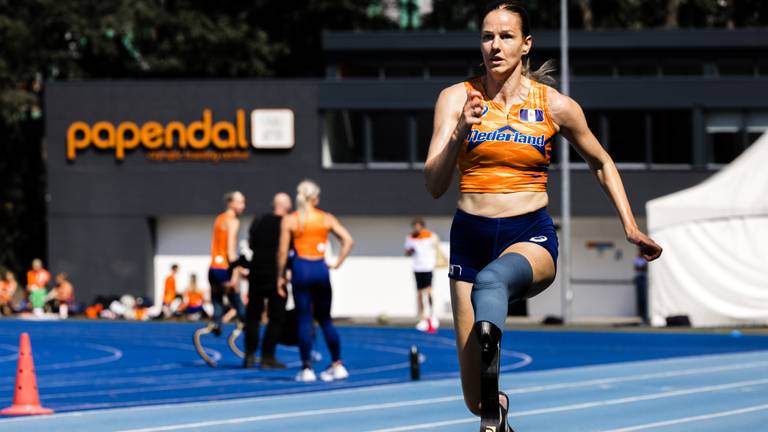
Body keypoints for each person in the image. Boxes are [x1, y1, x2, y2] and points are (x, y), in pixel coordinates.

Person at [423, 2, 663, 430]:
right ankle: (496, 410)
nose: (494, 45)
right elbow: (434, 183)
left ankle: (490, 341)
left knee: (492, 281)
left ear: (526, 44)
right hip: (470, 239)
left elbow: (601, 162)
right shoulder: (455, 97)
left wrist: (630, 226)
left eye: (506, 36)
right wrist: (461, 129)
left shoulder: (554, 106)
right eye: (487, 36)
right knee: (476, 402)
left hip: (528, 235)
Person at [277, 180, 354, 382]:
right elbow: (348, 240)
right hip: (320, 269)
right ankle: (337, 364)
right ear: (314, 198)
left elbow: (283, 252)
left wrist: (280, 276)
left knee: (304, 319)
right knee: (325, 319)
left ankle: (307, 368)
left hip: (301, 269)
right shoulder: (325, 218)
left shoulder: (291, 220)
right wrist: (337, 262)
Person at [244, 192, 293, 369]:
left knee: (253, 315)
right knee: (276, 316)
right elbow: (287, 250)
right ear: (287, 206)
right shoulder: (288, 223)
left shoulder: (259, 220)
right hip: (276, 274)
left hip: (256, 271)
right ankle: (267, 356)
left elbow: (251, 243)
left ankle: (249, 356)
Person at [208, 191, 247, 335]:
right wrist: (236, 273)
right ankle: (245, 324)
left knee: (217, 298)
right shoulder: (233, 221)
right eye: (240, 202)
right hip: (225, 267)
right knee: (236, 299)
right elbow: (231, 251)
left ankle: (216, 322)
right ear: (230, 203)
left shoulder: (219, 219)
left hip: (213, 267)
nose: (243, 206)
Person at [404, 217, 439, 332]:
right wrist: (410, 251)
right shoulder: (410, 237)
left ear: (422, 226)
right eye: (415, 226)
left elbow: (436, 248)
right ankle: (422, 317)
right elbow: (407, 252)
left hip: (427, 267)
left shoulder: (430, 236)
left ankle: (432, 314)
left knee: (428, 291)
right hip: (417, 268)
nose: (416, 228)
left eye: (418, 226)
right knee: (419, 293)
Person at [633, 249, 649, 325]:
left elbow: (645, 268)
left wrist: (642, 267)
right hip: (639, 278)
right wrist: (642, 267)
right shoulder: (637, 259)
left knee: (644, 299)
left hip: (644, 279)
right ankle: (640, 316)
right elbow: (636, 268)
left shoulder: (646, 259)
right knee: (639, 299)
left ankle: (645, 317)